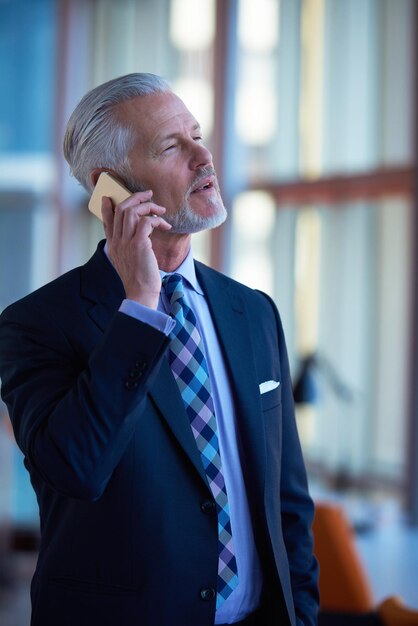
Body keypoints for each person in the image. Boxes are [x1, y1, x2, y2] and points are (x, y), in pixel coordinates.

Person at [0, 73, 319, 626]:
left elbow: (287, 500)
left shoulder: (254, 312)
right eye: (172, 147)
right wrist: (141, 307)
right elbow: (76, 468)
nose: (204, 156)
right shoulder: (35, 324)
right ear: (111, 189)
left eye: (197, 134)